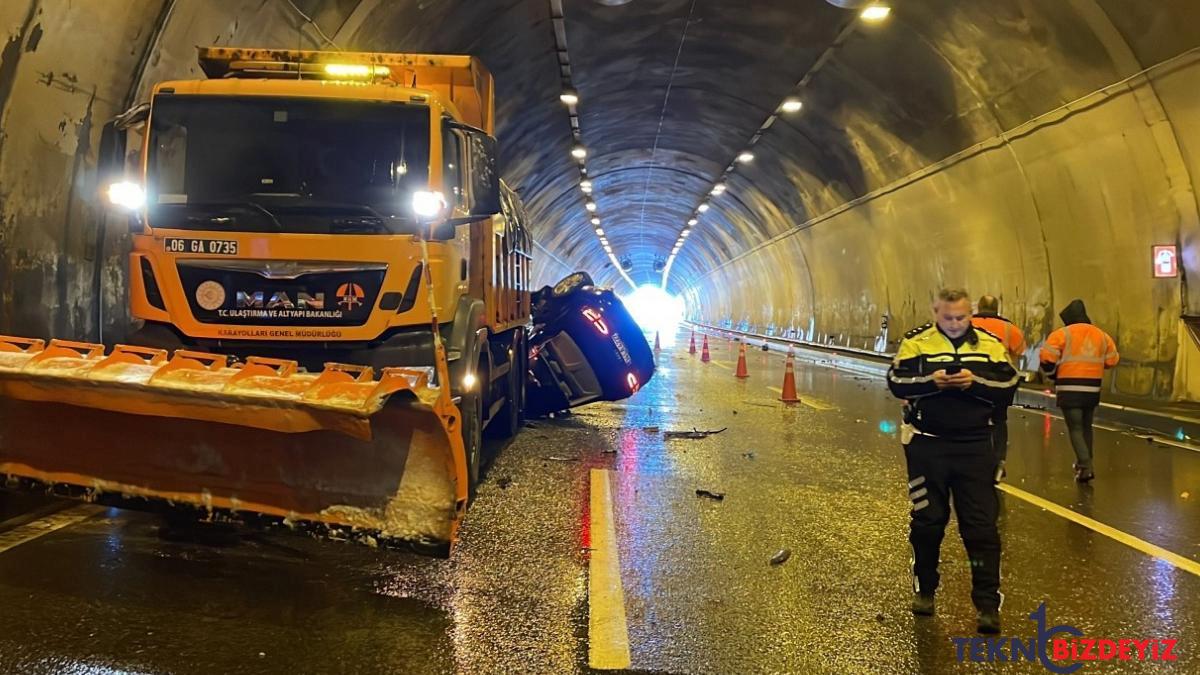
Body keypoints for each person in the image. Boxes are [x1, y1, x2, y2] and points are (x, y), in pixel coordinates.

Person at [887, 288, 1019, 634]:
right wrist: (934, 382)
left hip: (975, 447)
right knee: (928, 522)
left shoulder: (988, 345)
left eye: (962, 317)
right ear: (936, 312)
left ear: (970, 313)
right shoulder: (918, 343)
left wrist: (973, 383)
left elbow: (1008, 385)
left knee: (981, 528)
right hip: (927, 446)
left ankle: (988, 604)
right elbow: (897, 382)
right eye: (948, 317)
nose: (956, 324)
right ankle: (925, 589)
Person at [1038, 299, 1119, 482]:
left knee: (1074, 427)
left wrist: (1052, 373)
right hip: (1092, 388)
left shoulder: (1062, 334)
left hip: (1069, 387)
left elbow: (1046, 357)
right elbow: (1112, 360)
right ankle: (1086, 465)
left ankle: (1085, 465)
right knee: (1086, 427)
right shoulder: (1101, 335)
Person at [970, 295, 1026, 482]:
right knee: (999, 421)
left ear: (978, 307)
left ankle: (975, 460)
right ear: (997, 308)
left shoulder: (966, 324)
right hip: (1000, 383)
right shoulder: (1010, 328)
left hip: (972, 380)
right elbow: (1019, 351)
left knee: (971, 419)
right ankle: (999, 462)